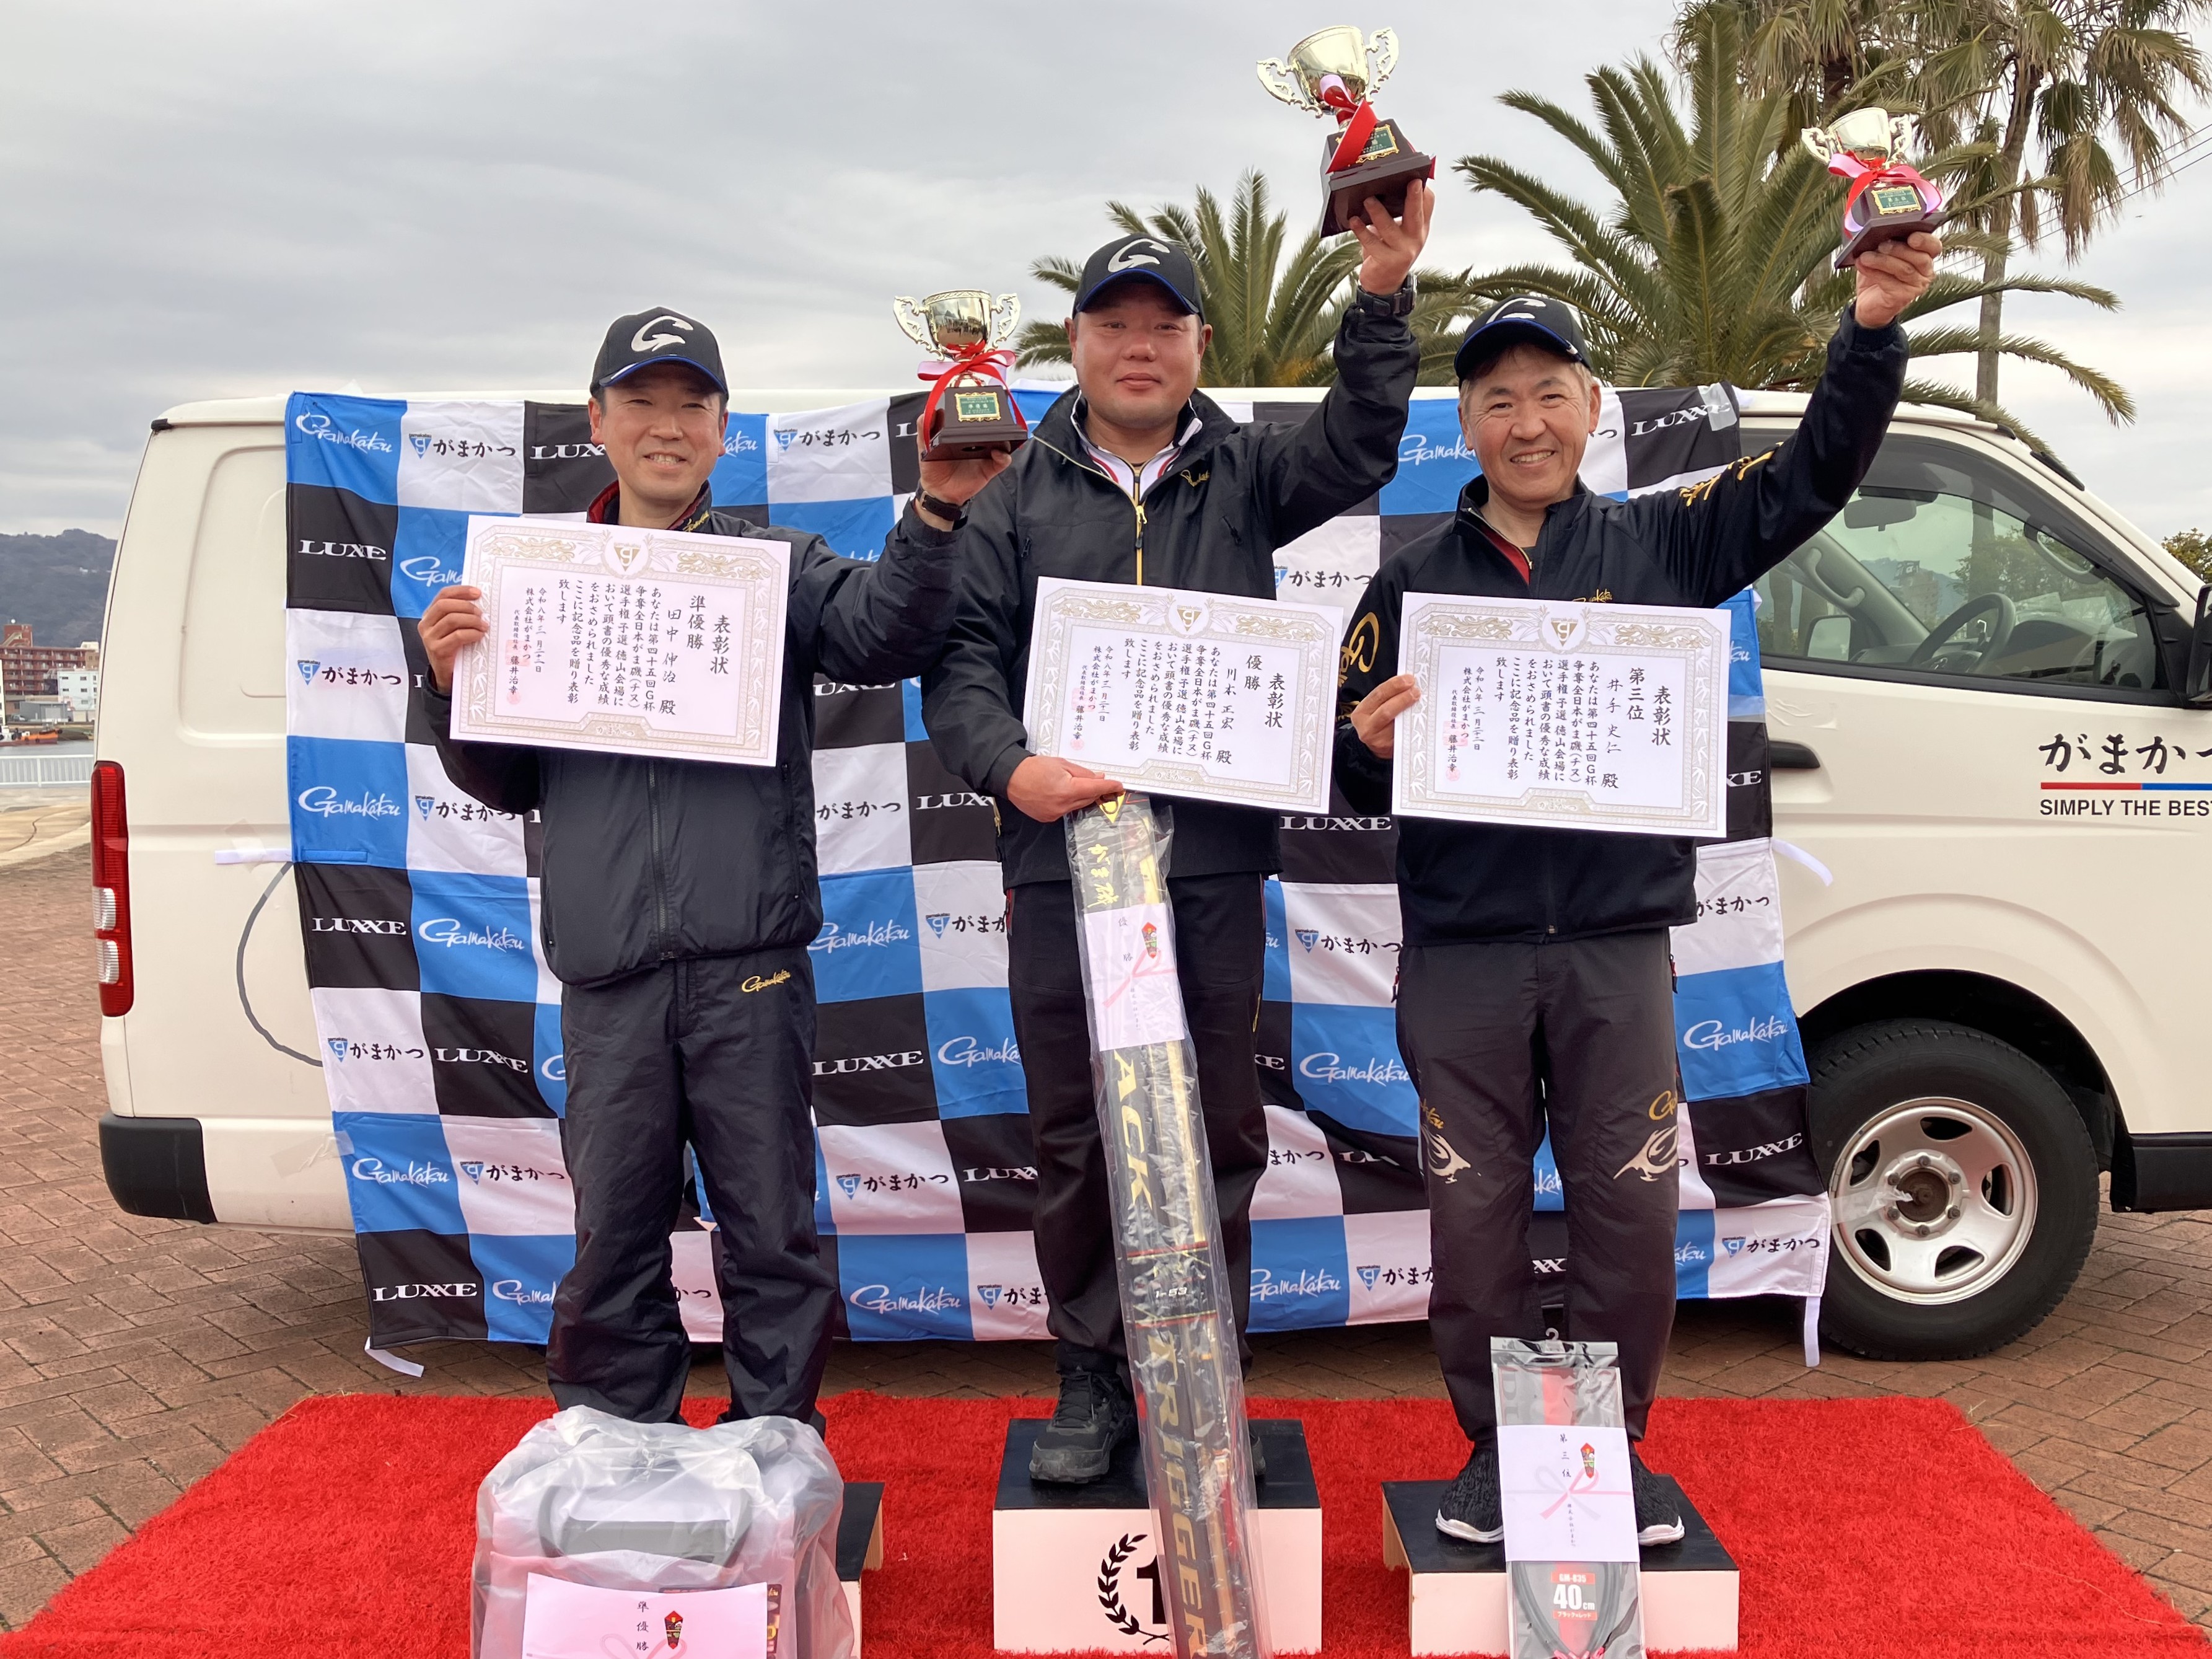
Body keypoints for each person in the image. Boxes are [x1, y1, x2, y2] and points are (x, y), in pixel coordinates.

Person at [1333, 237, 1941, 1541]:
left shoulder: (1666, 537)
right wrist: (1367, 748)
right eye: (1499, 398)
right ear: (1466, 424)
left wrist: (1872, 333)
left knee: (1631, 1205)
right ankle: (1497, 1451)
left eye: (1550, 392)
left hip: (1616, 951)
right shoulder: (1410, 581)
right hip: (1462, 956)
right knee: (1473, 1215)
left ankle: (1608, 1448)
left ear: (1592, 408)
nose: (1527, 422)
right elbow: (1344, 767)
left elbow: (1815, 473)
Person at [413, 308, 1006, 1427]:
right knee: (613, 1235)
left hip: (751, 966)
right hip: (608, 971)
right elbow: (505, 780)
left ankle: (774, 1444)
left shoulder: (774, 565)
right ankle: (611, 1445)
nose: (667, 425)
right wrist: (446, 685)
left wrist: (933, 514)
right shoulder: (532, 581)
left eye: (692, 404)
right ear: (597, 422)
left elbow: (880, 634)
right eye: (640, 402)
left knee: (769, 1230)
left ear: (724, 428)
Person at [923, 187, 1432, 1482]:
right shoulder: (1012, 493)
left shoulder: (1250, 470)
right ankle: (1091, 1377)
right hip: (1060, 863)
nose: (1138, 347)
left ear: (1202, 344)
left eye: (1164, 325)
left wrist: (1380, 296)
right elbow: (962, 664)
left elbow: (1363, 439)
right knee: (1076, 1131)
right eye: (1114, 325)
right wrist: (1011, 767)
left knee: (1216, 1125)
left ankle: (1208, 1368)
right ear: (1076, 344)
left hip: (1207, 862)